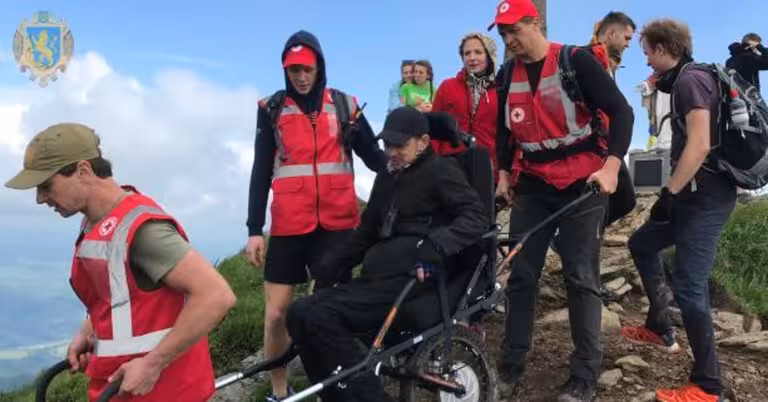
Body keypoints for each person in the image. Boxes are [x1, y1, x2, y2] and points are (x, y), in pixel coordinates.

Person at [4, 123, 236, 401]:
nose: (40, 199)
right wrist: (89, 330)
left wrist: (153, 364)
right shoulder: (95, 221)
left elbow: (216, 296)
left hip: (162, 390)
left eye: (46, 186)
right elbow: (118, 294)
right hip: (120, 387)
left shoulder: (143, 230)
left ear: (83, 171)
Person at [285, 106, 488, 402]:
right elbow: (366, 233)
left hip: (413, 280)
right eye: (387, 144)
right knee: (298, 312)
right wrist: (329, 266)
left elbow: (476, 217)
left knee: (321, 316)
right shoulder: (386, 178)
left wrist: (437, 245)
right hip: (377, 279)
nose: (391, 151)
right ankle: (336, 394)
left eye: (399, 145)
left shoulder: (441, 171)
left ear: (423, 142)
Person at [488, 0, 635, 400]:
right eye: (503, 33)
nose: (509, 39)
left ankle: (584, 375)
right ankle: (511, 364)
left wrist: (611, 167)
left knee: (580, 276)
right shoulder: (507, 75)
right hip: (534, 184)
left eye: (515, 30)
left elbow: (622, 113)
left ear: (535, 23)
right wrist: (503, 174)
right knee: (521, 276)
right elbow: (504, 131)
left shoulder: (576, 61)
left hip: (583, 183)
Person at [245, 30, 387, 401]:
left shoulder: (345, 106)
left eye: (307, 69)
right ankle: (279, 391)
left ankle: (333, 389)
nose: (301, 77)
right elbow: (261, 170)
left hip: (338, 225)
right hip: (289, 226)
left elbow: (375, 159)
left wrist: (410, 168)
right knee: (276, 315)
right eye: (294, 70)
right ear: (285, 70)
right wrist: (254, 228)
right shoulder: (271, 108)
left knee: (330, 311)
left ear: (319, 66)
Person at [621, 19, 737, 402]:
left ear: (661, 48)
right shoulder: (689, 80)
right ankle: (660, 327)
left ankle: (709, 386)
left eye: (648, 54)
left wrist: (668, 193)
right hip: (691, 196)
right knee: (641, 244)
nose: (647, 63)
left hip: (706, 199)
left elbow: (700, 144)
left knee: (689, 285)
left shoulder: (690, 81)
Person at [432, 32, 499, 176]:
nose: (472, 58)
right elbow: (433, 129)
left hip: (487, 166)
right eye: (467, 53)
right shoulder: (447, 87)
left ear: (489, 55)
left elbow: (507, 136)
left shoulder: (501, 90)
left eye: (478, 52)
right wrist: (433, 163)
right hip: (448, 166)